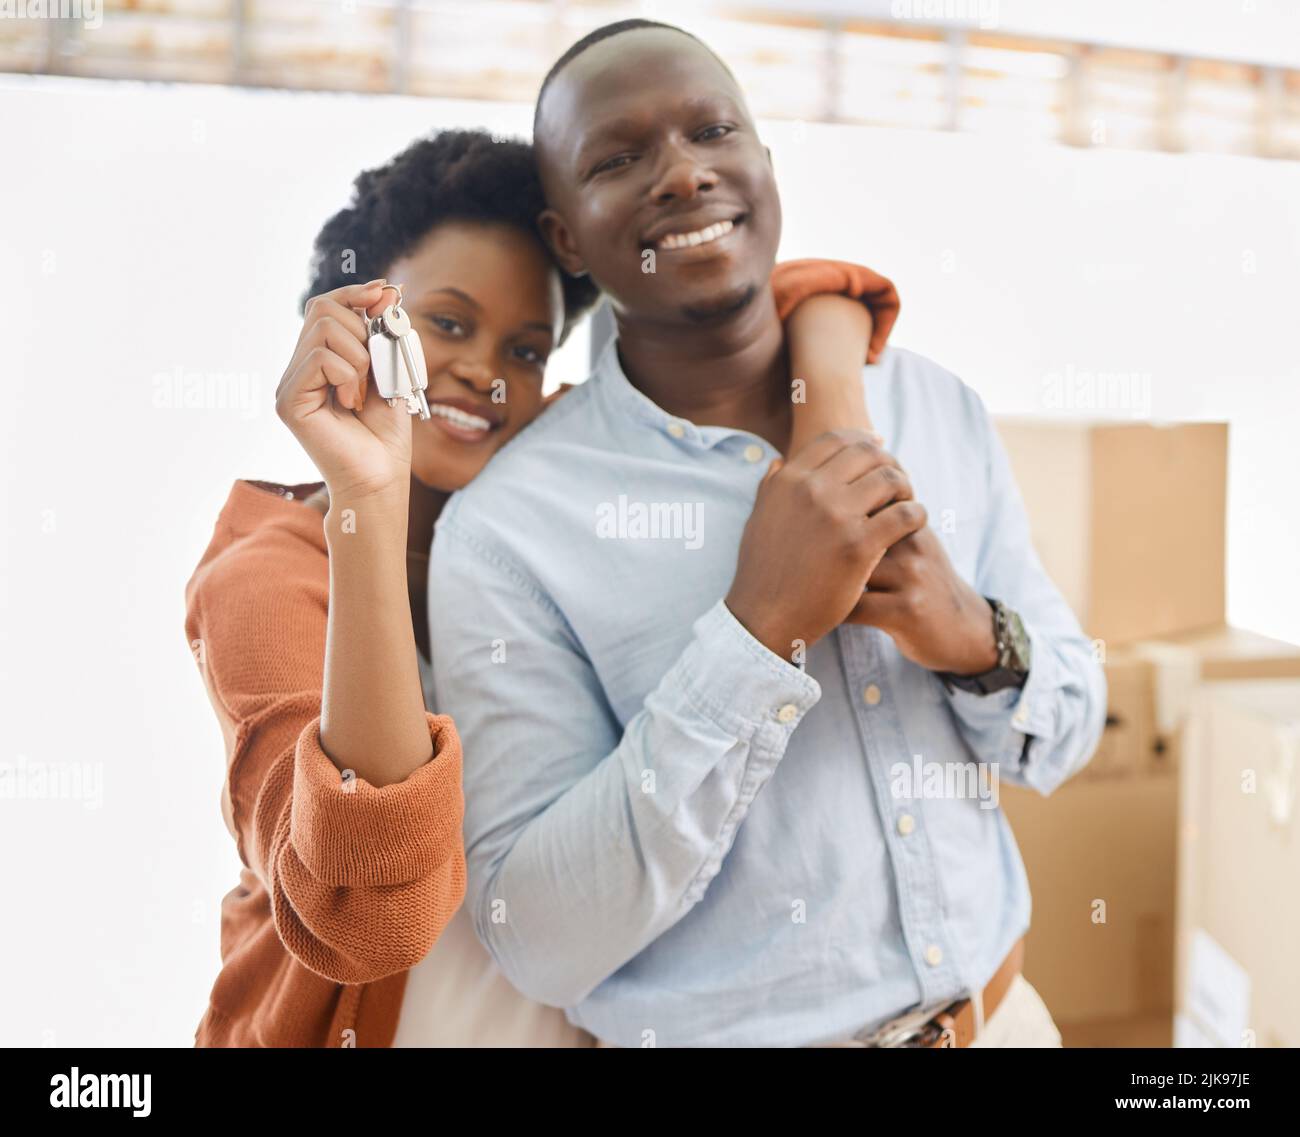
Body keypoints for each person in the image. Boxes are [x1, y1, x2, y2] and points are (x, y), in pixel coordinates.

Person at [427, 21, 1107, 1048]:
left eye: (714, 131)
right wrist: (753, 635)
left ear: (764, 165)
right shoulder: (508, 535)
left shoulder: (931, 404)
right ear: (566, 238)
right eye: (618, 159)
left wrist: (970, 636)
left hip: (1005, 1023)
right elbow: (539, 937)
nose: (684, 175)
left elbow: (1069, 729)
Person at [184, 127, 904, 1046]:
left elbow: (769, 304)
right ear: (355, 320)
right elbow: (367, 922)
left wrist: (832, 356)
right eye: (446, 323)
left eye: (526, 351)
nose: (488, 372)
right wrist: (368, 494)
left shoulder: (532, 491)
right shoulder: (263, 580)